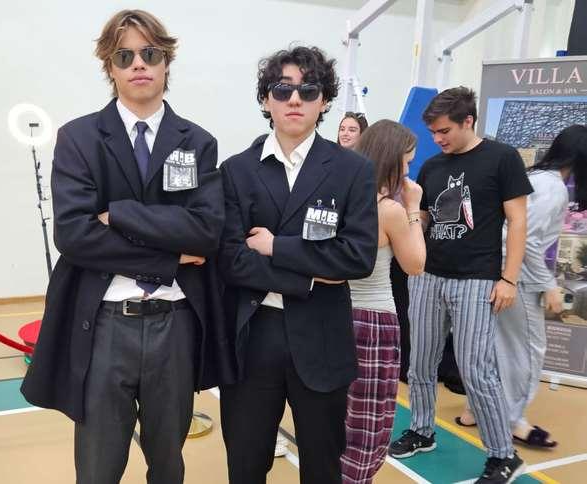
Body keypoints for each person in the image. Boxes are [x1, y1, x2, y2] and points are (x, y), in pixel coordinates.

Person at [21, 10, 234, 483]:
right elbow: (74, 235)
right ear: (110, 67)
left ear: (166, 63)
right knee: (98, 466)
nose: (138, 63)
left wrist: (118, 214)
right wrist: (169, 257)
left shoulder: (198, 142)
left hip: (175, 324)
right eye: (125, 56)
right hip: (103, 324)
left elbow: (205, 231)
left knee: (168, 462)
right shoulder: (79, 138)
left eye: (149, 54)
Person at [218, 45, 378, 484]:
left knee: (323, 467)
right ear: (265, 99)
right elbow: (231, 260)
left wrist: (276, 246)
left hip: (322, 337)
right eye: (282, 89)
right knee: (246, 464)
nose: (294, 99)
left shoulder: (352, 170)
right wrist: (311, 278)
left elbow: (356, 256)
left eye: (308, 90)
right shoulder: (236, 171)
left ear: (324, 101)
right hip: (253, 335)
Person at [388, 86, 533, 484]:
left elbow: (518, 221)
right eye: (433, 133)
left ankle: (503, 455)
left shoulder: (502, 158)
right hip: (428, 277)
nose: (438, 139)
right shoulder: (433, 167)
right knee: (420, 362)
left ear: (468, 121)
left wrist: (509, 278)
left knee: (476, 370)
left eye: (445, 131)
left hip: (477, 280)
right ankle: (421, 430)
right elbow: (423, 219)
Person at [456, 124, 587, 447]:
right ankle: (512, 420)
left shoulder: (533, 177)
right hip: (518, 277)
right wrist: (549, 285)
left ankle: (476, 409)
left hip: (494, 270)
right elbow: (526, 241)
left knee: (492, 345)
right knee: (527, 350)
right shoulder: (553, 188)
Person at [340, 120, 426, 484]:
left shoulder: (340, 196)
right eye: (406, 161)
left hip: (333, 316)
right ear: (391, 159)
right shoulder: (388, 209)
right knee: (368, 422)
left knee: (336, 417)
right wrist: (413, 207)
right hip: (373, 322)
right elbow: (415, 264)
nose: (407, 170)